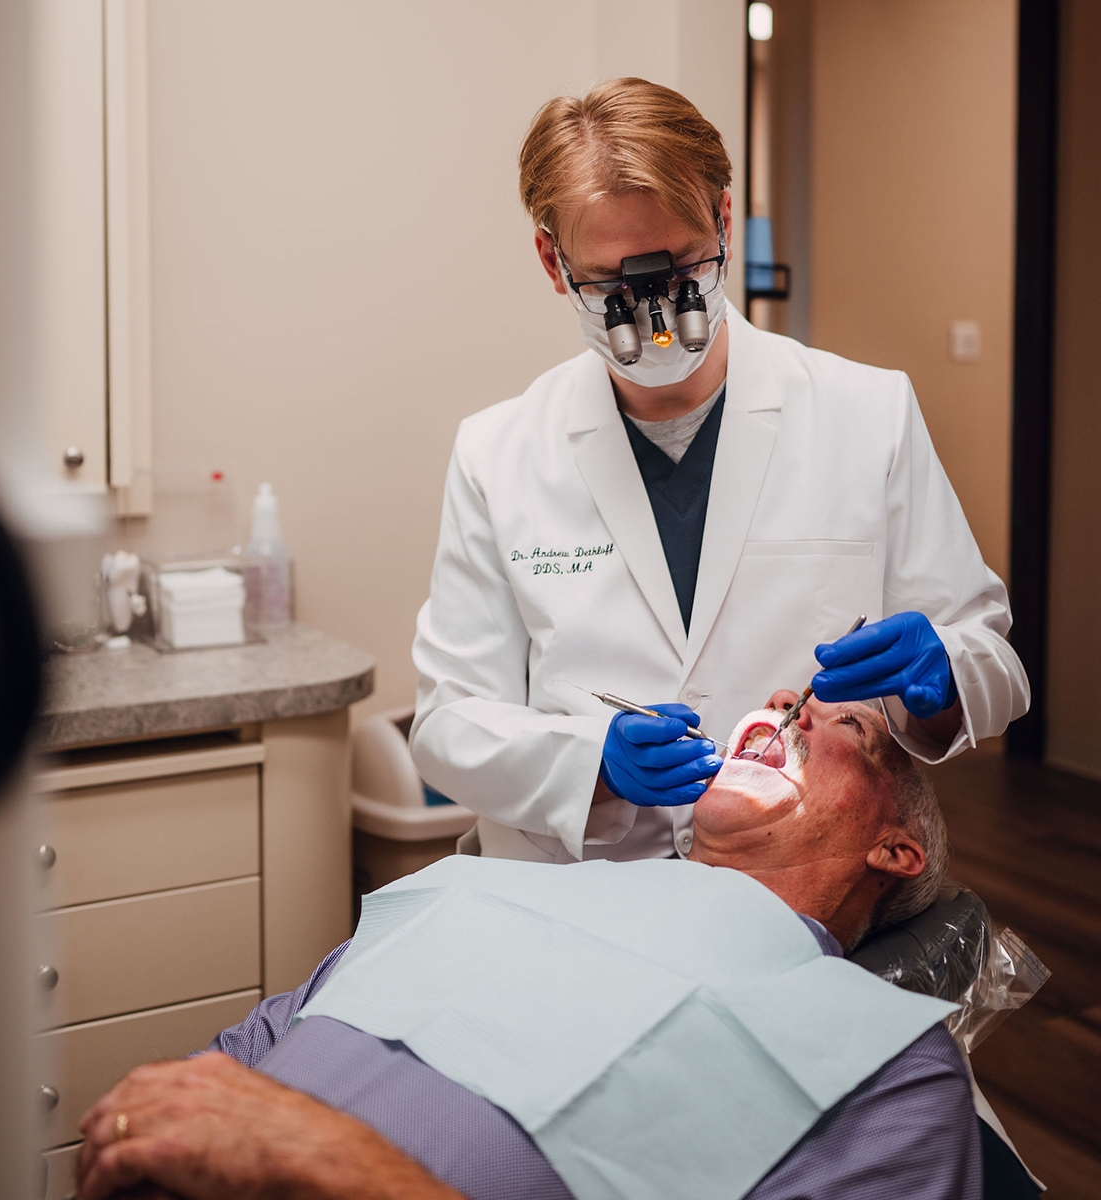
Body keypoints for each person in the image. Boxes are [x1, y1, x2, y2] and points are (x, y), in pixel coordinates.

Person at [409, 77, 1029, 866]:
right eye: (613, 285)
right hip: (578, 896)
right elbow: (448, 724)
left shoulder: (867, 413)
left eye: (680, 268)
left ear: (725, 221)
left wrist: (946, 673)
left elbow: (998, 670)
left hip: (796, 891)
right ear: (551, 260)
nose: (656, 317)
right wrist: (591, 762)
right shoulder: (497, 453)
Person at [74, 694, 981, 1200]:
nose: (791, 704)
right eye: (794, 697)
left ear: (894, 851)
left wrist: (343, 1168)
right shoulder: (480, 883)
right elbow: (259, 1043)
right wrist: (145, 1124)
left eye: (849, 726)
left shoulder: (886, 1063)